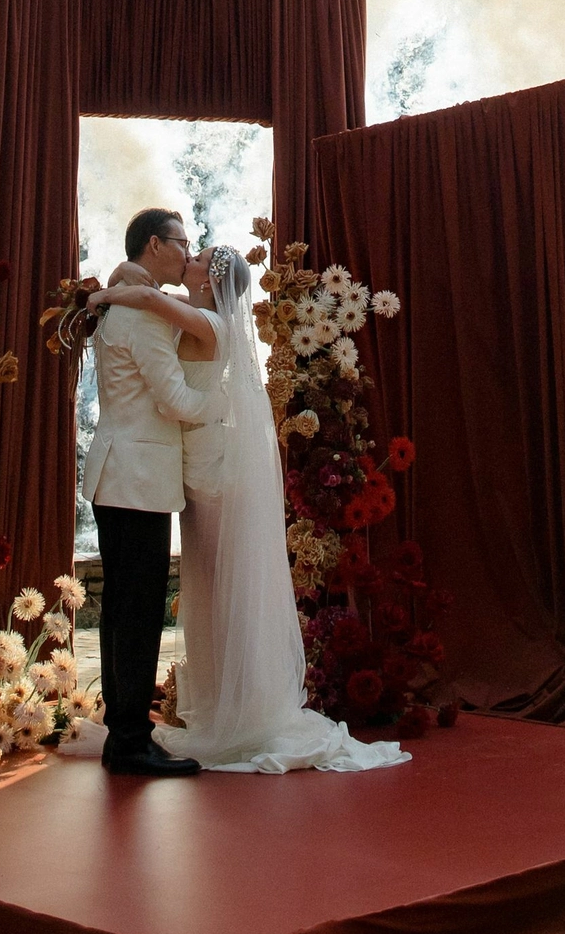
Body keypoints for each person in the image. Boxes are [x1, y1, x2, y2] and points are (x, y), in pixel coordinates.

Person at [89, 244, 410, 775]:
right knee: (205, 589)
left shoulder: (207, 322)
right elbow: (145, 288)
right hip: (188, 466)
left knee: (225, 585)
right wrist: (123, 277)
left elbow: (146, 297)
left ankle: (243, 712)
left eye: (198, 257)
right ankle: (215, 707)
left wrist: (101, 297)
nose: (188, 256)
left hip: (208, 463)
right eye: (186, 249)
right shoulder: (189, 310)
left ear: (210, 280)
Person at [80, 207, 215, 777]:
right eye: (182, 242)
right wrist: (224, 407)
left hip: (120, 473)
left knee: (122, 610)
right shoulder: (143, 316)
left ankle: (125, 735)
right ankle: (132, 741)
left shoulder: (131, 304)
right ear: (155, 245)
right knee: (136, 613)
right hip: (136, 479)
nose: (188, 251)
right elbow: (175, 401)